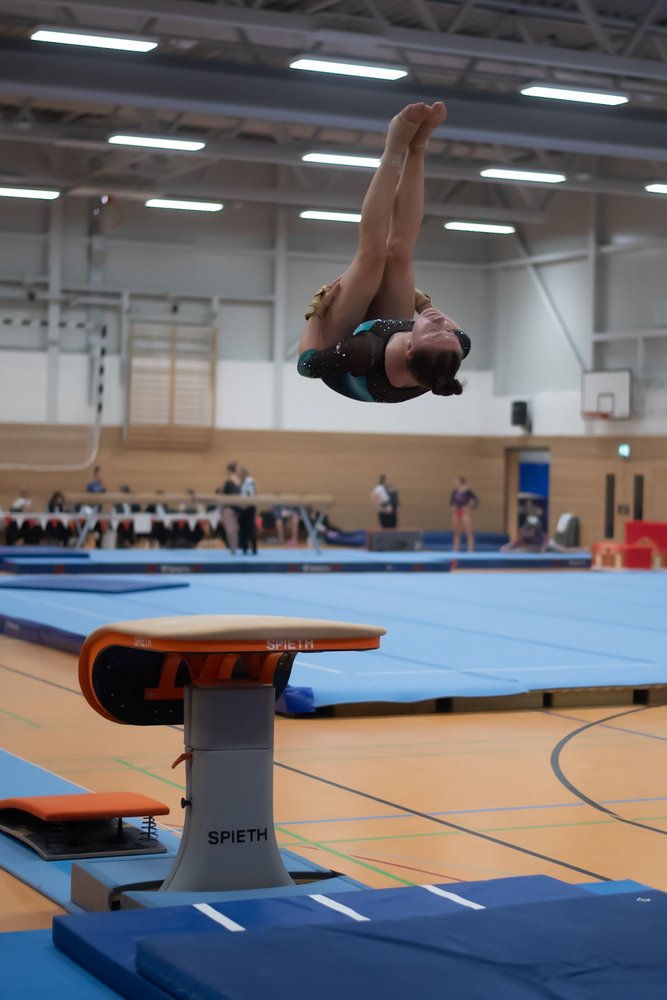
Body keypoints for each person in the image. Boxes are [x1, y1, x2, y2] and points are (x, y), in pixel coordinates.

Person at [297, 102, 470, 403]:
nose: (441, 323)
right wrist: (423, 304)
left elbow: (307, 365)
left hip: (347, 352)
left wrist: (316, 311)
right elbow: (448, 332)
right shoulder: (447, 350)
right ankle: (418, 146)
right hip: (388, 337)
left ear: (409, 347)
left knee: (372, 256)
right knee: (399, 254)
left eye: (434, 331)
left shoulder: (361, 351)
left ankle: (393, 148)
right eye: (449, 333)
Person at [450, 476, 479, 552]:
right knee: (456, 532)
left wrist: (470, 508)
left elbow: (476, 500)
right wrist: (453, 507)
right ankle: (455, 549)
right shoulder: (455, 491)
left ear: (461, 482)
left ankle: (470, 549)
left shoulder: (468, 491)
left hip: (464, 512)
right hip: (457, 511)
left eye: (456, 482)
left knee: (468, 531)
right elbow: (451, 502)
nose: (455, 483)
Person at [219, 462, 242, 554]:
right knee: (232, 529)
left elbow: (225, 495)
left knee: (231, 530)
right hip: (233, 508)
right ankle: (234, 548)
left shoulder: (231, 481)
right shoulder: (235, 481)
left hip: (231, 508)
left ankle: (233, 549)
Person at [238, 466, 258, 555]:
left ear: (244, 473)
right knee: (243, 529)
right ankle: (245, 548)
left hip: (249, 507)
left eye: (240, 473)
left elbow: (251, 493)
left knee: (250, 528)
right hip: (243, 507)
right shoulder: (242, 481)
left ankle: (254, 548)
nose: (238, 474)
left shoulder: (249, 480)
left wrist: (246, 504)